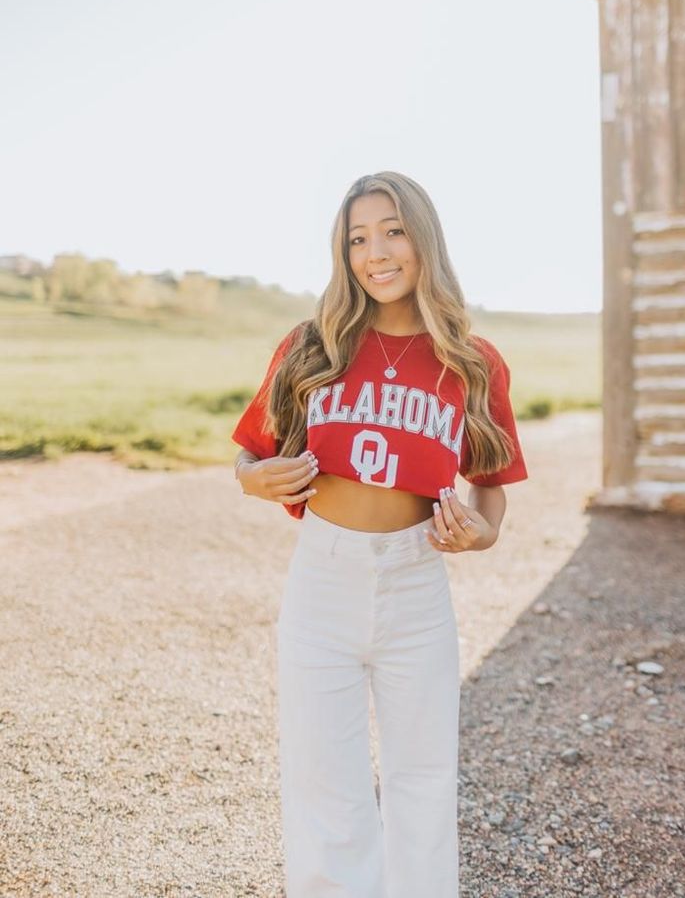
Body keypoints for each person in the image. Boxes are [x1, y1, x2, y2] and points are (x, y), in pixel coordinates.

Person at [232, 171, 528, 898]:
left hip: (415, 580)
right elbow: (250, 451)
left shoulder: (473, 360)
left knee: (421, 777)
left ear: (423, 237)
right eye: (358, 238)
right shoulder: (312, 346)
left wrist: (479, 537)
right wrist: (251, 478)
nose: (376, 251)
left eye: (392, 229)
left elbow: (489, 486)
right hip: (322, 578)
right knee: (323, 779)